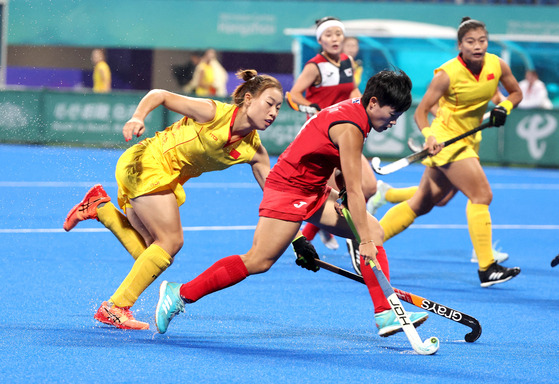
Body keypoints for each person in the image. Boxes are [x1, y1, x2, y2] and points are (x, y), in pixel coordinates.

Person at [155, 70, 429, 338]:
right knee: (258, 261)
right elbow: (357, 191)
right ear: (373, 102)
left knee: (373, 230)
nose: (394, 121)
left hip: (313, 189)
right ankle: (179, 293)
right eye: (392, 114)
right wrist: (363, 242)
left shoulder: (355, 113)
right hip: (288, 190)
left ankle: (385, 312)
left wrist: (345, 199)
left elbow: (337, 168)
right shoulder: (351, 127)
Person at [63, 69, 284, 330]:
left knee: (151, 253)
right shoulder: (214, 113)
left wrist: (298, 235)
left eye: (279, 108)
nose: (273, 113)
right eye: (269, 104)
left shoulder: (255, 151)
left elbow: (276, 195)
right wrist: (138, 117)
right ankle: (114, 307)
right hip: (146, 162)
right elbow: (161, 95)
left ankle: (101, 207)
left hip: (162, 177)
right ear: (248, 99)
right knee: (171, 241)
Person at [379, 17, 523, 287]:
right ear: (460, 45)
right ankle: (486, 268)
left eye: (482, 40)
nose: (477, 46)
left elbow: (516, 93)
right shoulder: (446, 74)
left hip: (470, 139)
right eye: (470, 42)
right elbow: (420, 112)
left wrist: (504, 107)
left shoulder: (497, 64)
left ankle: (370, 239)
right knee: (481, 195)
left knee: (425, 202)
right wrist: (428, 135)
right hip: (446, 139)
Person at [288, 17, 417, 253]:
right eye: (328, 35)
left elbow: (355, 92)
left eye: (338, 34)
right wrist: (313, 108)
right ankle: (323, 238)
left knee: (366, 187)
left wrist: (363, 106)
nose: (334, 38)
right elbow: (293, 95)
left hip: (348, 133)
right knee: (328, 198)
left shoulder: (347, 61)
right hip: (324, 141)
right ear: (320, 40)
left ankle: (353, 232)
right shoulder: (314, 67)